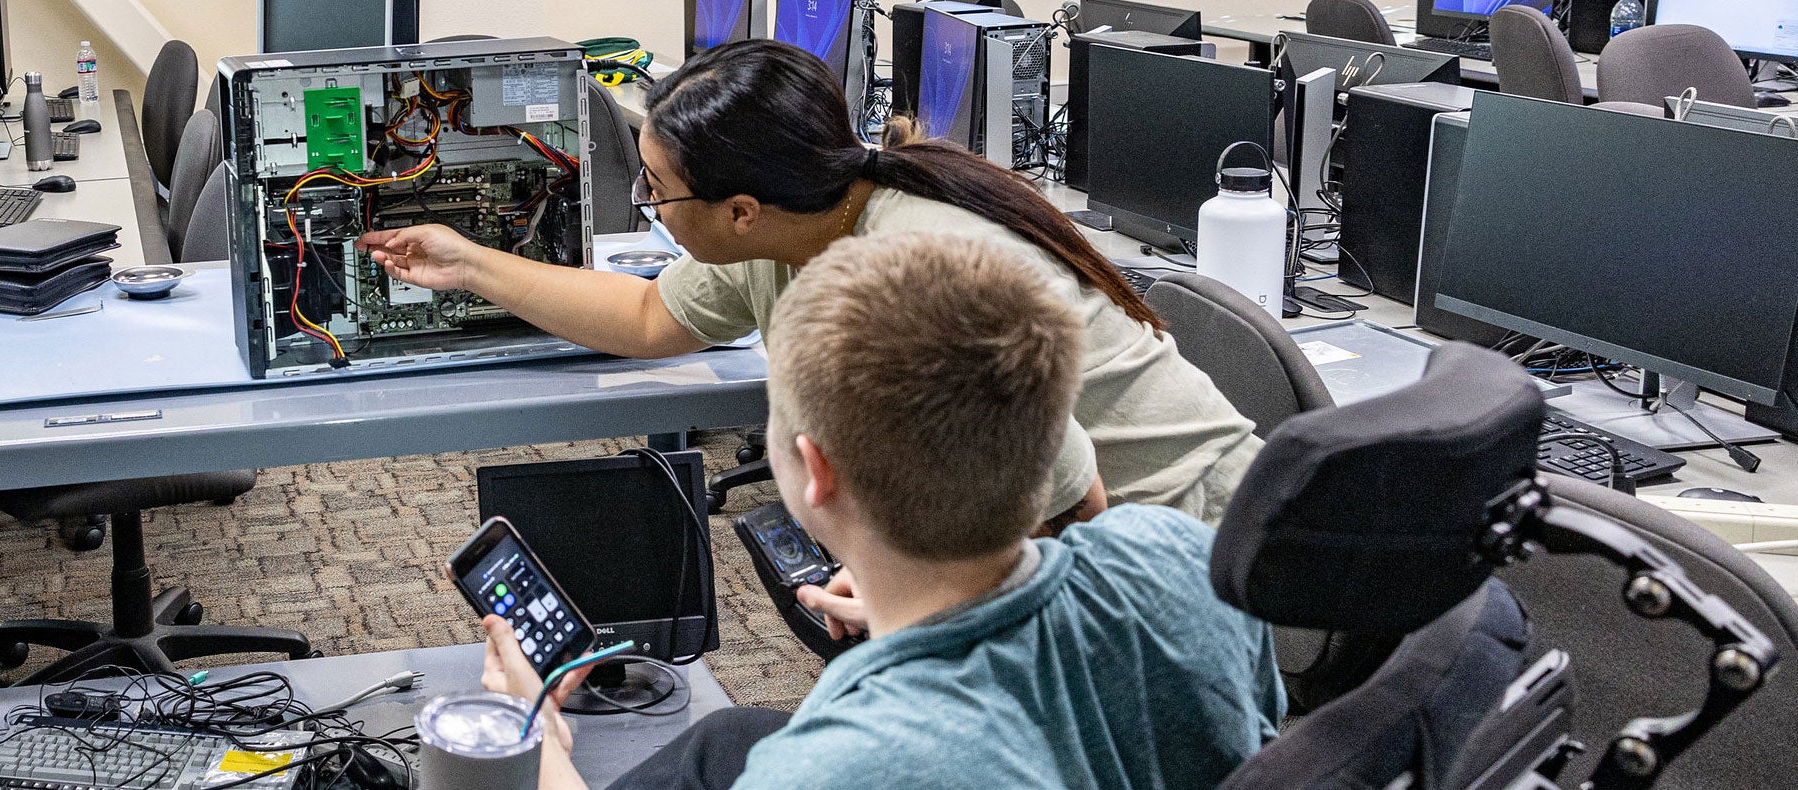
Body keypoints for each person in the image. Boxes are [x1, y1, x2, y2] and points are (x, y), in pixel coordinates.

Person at [478, 232, 1284, 789]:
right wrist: (920, 597)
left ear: (814, 471)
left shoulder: (848, 764)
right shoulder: (1177, 553)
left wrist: (536, 739)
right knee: (726, 740)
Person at [360, 39, 1260, 530]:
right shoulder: (799, 216)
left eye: (657, 191)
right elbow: (643, 314)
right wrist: (469, 264)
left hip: (1186, 540)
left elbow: (1068, 487)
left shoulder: (917, 271)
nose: (651, 209)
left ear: (740, 207)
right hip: (1067, 517)